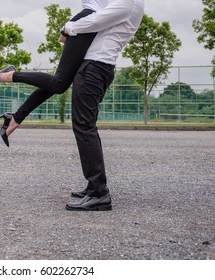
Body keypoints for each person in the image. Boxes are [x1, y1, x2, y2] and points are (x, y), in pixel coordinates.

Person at [0, 0, 109, 147]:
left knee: (60, 84)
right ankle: (10, 75)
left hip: (97, 23)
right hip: (89, 19)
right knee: (58, 83)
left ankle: (14, 119)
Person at [63, 0, 145, 211]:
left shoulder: (128, 2)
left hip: (95, 67)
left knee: (84, 126)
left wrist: (69, 27)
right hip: (97, 66)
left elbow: (97, 20)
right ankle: (94, 186)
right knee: (86, 126)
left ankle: (99, 193)